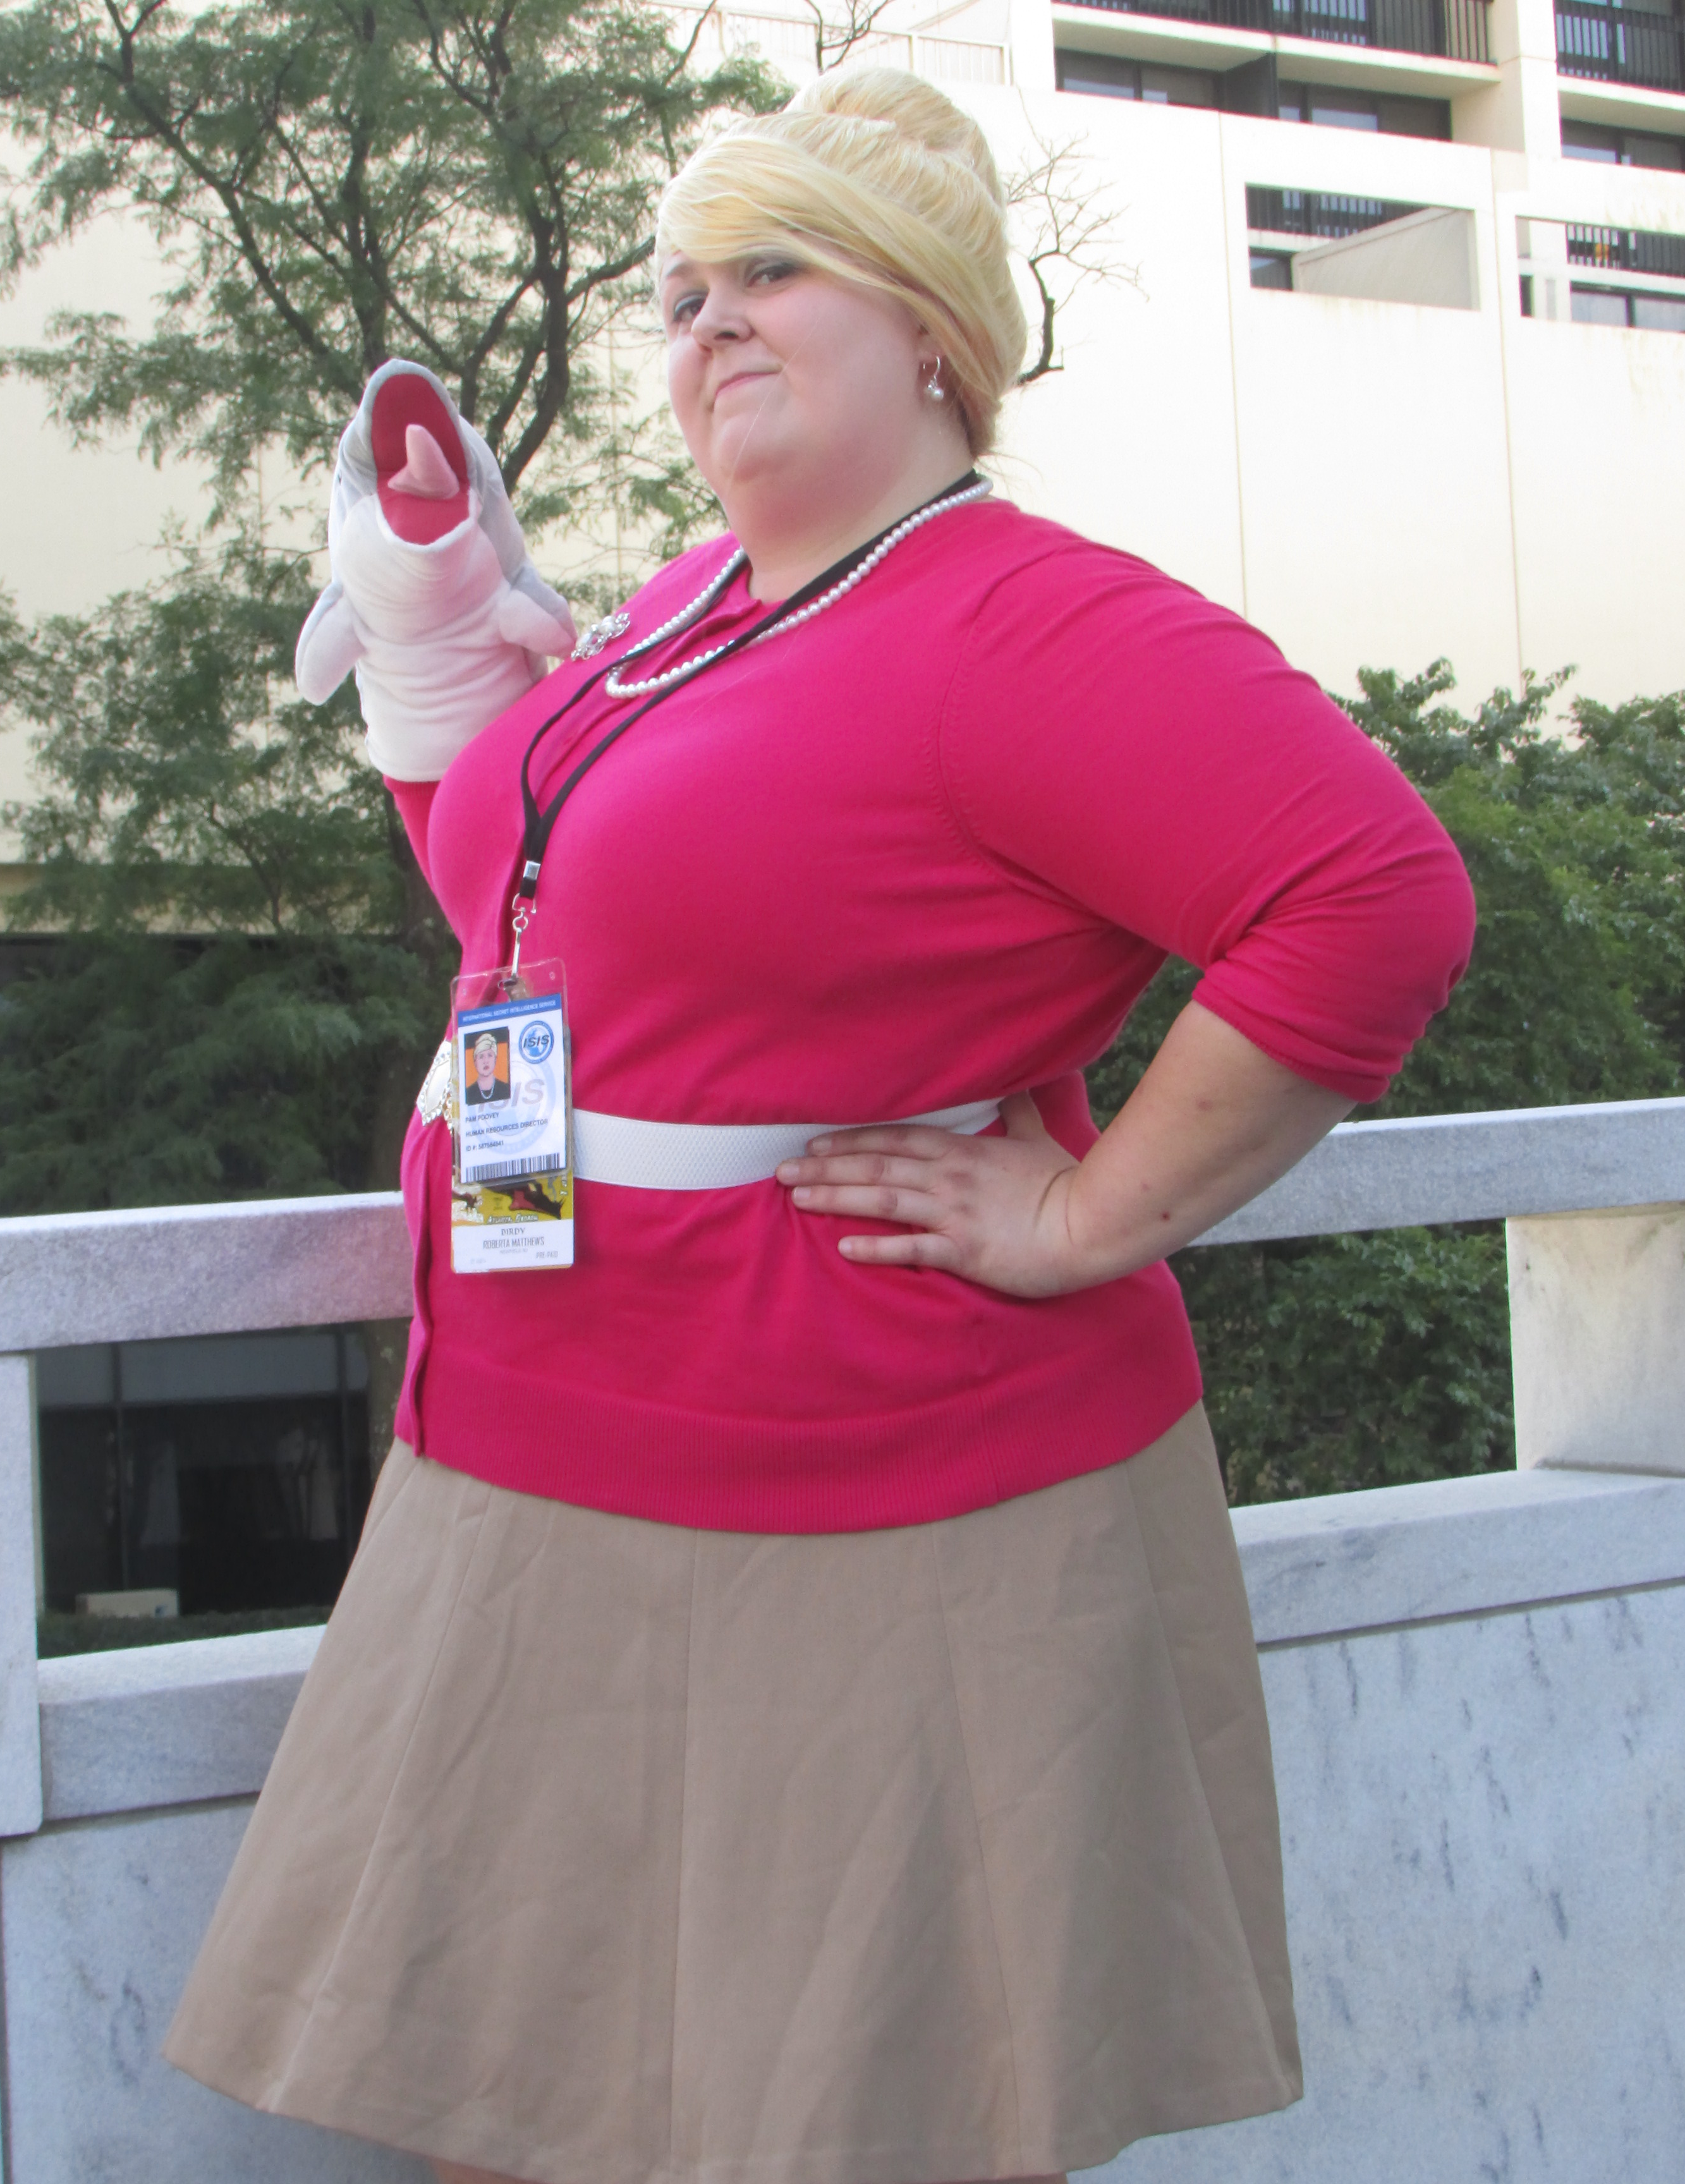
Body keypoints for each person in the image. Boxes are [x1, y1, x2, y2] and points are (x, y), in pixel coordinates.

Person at [165, 65, 1476, 2184]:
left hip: (867, 1488)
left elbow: (1377, 898)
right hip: (529, 1455)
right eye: (682, 294)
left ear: (932, 326)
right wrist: (433, 646)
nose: (711, 324)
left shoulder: (1026, 624)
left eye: (772, 270)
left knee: (850, 2131)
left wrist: (1088, 1214)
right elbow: (542, 917)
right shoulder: (690, 606)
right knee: (515, 2115)